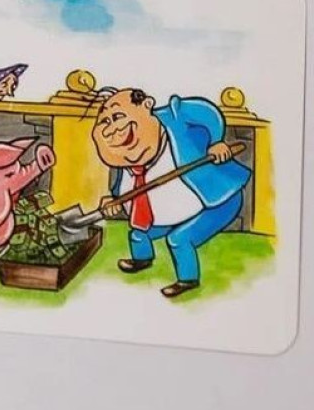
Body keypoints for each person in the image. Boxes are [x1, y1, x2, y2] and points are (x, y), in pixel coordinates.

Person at [91, 87, 251, 299]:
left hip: (217, 203)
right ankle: (142, 260)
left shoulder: (175, 117)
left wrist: (216, 142)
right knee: (138, 233)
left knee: (179, 239)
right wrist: (114, 200)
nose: (113, 128)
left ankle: (188, 279)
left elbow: (208, 112)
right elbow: (121, 188)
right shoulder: (127, 159)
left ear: (146, 105)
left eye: (118, 116)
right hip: (170, 214)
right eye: (105, 121)